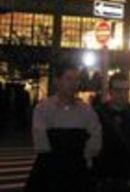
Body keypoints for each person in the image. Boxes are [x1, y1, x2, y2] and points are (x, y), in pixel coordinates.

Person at [25, 62, 102, 192]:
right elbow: (41, 144)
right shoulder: (43, 108)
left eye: (77, 79)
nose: (74, 84)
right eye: (69, 79)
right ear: (57, 81)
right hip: (50, 173)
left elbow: (95, 141)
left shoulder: (87, 111)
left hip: (78, 173)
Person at [94, 72, 130, 192]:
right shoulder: (97, 115)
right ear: (110, 91)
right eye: (118, 90)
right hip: (103, 180)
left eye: (126, 90)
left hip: (127, 181)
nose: (123, 95)